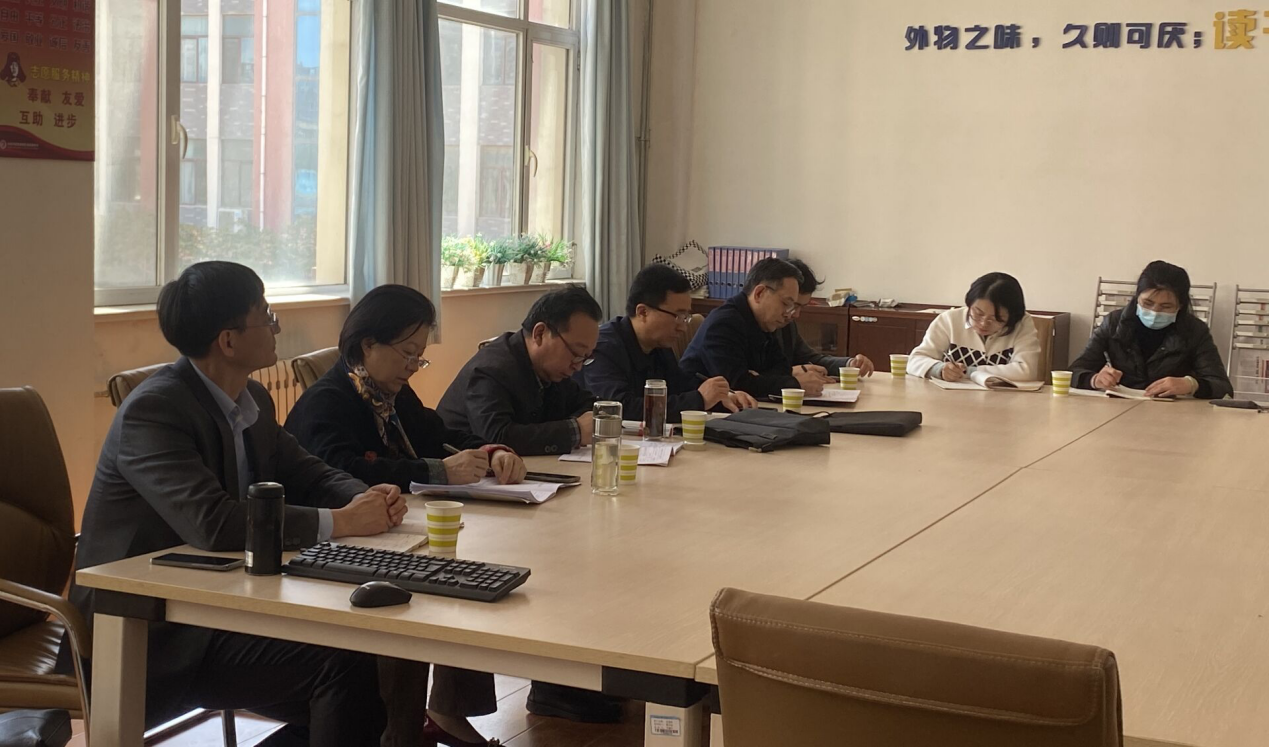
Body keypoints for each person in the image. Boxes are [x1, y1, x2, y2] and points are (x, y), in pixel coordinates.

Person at [64, 262, 404, 747]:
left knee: (367, 654)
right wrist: (342, 522)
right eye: (265, 315)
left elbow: (306, 470)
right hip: (150, 628)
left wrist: (364, 497)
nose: (276, 326)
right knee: (340, 665)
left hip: (223, 600)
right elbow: (213, 523)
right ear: (228, 340)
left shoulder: (252, 397)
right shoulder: (154, 411)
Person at [285, 284, 528, 746]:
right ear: (367, 345)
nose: (414, 366)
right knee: (415, 598)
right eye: (407, 353)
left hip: (388, 531)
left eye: (420, 356)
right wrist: (437, 470)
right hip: (329, 550)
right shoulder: (328, 401)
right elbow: (343, 469)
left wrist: (490, 452)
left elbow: (439, 435)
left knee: (466, 570)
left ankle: (443, 712)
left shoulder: (390, 393)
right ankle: (400, 733)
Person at [578, 264, 759, 422]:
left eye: (686, 317)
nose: (683, 327)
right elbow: (620, 408)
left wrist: (722, 397)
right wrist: (700, 399)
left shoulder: (659, 345)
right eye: (678, 316)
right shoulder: (603, 347)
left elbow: (679, 388)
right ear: (642, 312)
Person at [437, 285, 601, 457]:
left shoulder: (552, 369)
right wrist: (575, 431)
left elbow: (587, 404)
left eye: (585, 357)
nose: (578, 366)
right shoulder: (491, 369)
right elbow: (496, 437)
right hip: (460, 468)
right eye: (576, 353)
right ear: (540, 334)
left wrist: (582, 424)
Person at [1070, 260, 1232, 399]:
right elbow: (1073, 372)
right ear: (1137, 298)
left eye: (1166, 306)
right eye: (1147, 303)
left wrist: (1191, 385)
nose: (1155, 312)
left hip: (1174, 412)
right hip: (1119, 405)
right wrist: (1095, 379)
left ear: (1180, 306)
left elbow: (1223, 387)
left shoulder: (1195, 331)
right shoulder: (1114, 323)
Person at [680, 258, 831, 397]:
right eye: (786, 304)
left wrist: (759, 378)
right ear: (759, 293)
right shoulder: (724, 324)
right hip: (701, 412)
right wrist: (794, 384)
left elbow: (781, 368)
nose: (789, 313)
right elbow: (737, 384)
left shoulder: (764, 322)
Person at [908, 272, 1041, 382]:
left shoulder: (1022, 324)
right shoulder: (950, 320)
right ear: (969, 304)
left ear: (1012, 316)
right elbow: (915, 360)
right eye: (978, 314)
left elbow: (1027, 371)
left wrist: (969, 371)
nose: (983, 323)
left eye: (996, 318)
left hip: (1004, 401)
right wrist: (939, 369)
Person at [781, 259, 875, 389]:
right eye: (791, 305)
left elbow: (811, 360)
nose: (796, 314)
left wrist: (850, 364)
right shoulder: (755, 326)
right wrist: (789, 375)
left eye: (801, 307)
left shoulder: (786, 326)